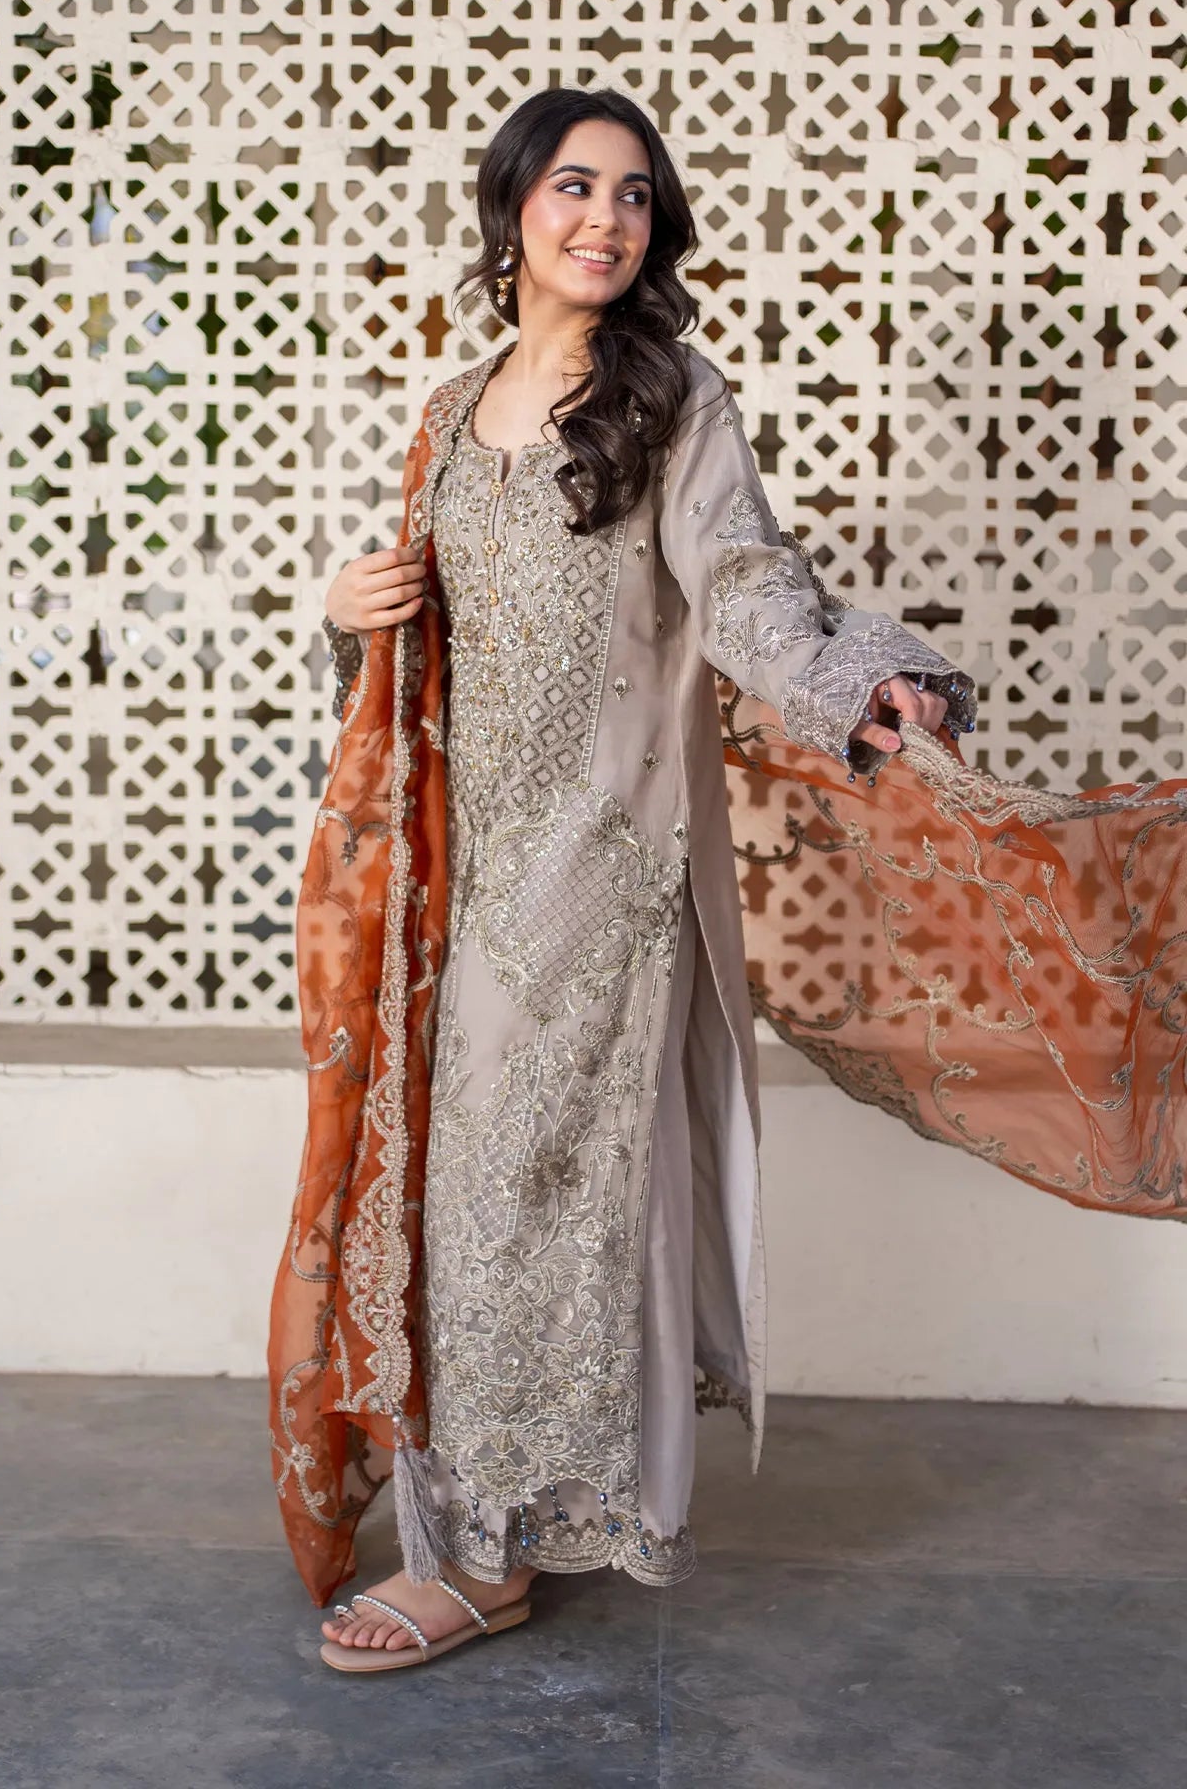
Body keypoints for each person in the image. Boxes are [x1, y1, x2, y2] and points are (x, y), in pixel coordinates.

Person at [268, 85, 1183, 1674]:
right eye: (573, 187)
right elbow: (420, 646)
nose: (605, 218)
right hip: (458, 884)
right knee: (455, 1205)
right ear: (512, 213)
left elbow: (749, 589)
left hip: (608, 884)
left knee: (527, 1208)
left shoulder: (675, 402)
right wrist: (350, 610)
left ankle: (486, 1556)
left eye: (634, 196)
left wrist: (851, 685)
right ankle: (487, 1526)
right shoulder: (444, 414)